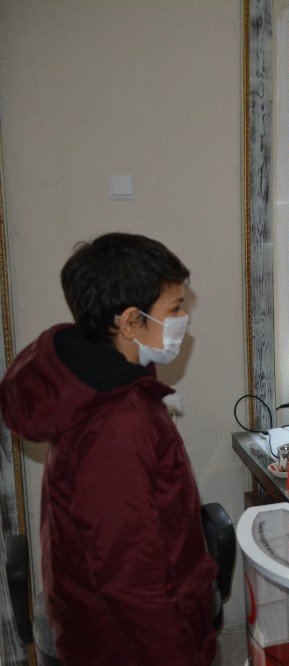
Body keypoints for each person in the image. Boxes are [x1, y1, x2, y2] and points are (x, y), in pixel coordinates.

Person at [0, 233, 218, 664]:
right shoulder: (119, 424)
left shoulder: (104, 388)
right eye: (174, 309)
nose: (183, 319)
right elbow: (130, 578)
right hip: (128, 647)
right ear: (131, 322)